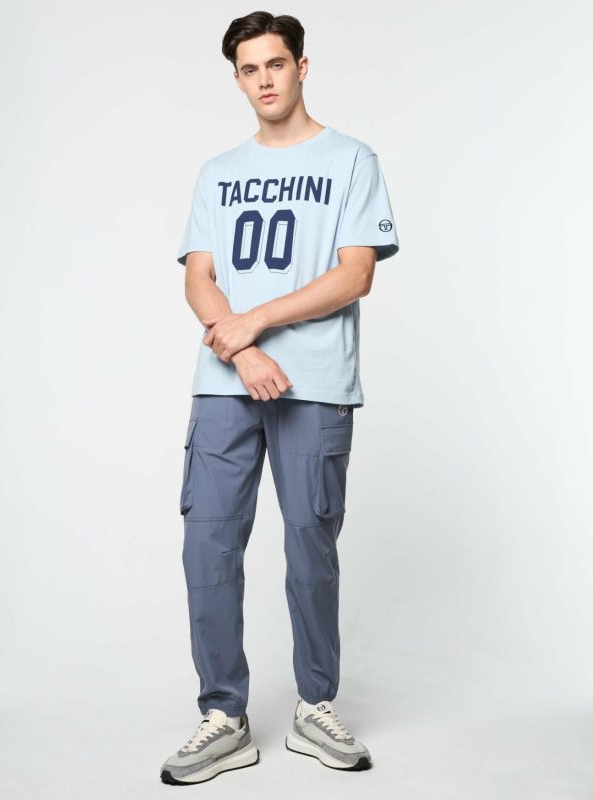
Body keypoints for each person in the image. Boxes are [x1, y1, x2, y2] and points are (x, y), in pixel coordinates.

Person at [160, 10, 399, 785]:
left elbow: (355, 274)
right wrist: (244, 350)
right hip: (226, 384)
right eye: (249, 68)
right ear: (236, 79)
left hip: (317, 385)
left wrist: (254, 321)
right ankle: (223, 716)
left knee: (309, 549)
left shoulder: (351, 159)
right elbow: (200, 278)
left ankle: (315, 706)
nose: (263, 79)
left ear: (301, 67)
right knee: (207, 548)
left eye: (275, 63)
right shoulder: (217, 171)